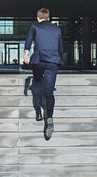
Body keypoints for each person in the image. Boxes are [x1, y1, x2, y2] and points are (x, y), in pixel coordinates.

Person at [24, 8, 63, 141]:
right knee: (49, 91)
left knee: (37, 83)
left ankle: (38, 112)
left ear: (38, 17)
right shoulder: (57, 29)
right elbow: (60, 48)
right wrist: (58, 61)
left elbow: (29, 40)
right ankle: (50, 118)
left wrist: (26, 53)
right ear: (48, 17)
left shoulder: (34, 26)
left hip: (39, 60)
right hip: (53, 61)